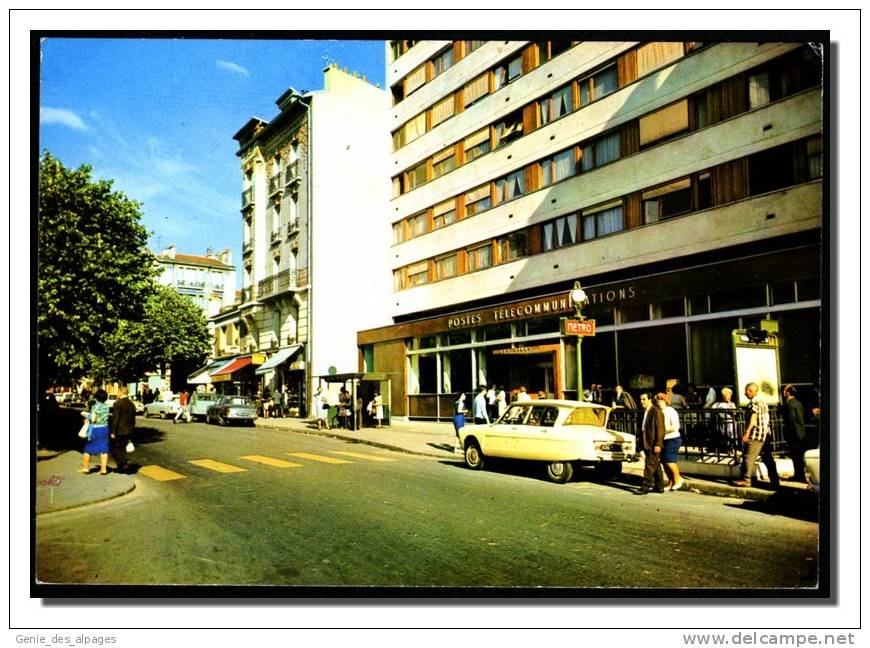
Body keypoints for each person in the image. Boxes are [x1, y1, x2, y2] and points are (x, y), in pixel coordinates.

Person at [732, 382, 780, 488]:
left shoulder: (754, 401)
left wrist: (747, 432)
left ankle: (746, 479)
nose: (745, 393)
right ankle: (775, 480)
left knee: (748, 456)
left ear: (750, 390)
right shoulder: (762, 402)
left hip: (756, 434)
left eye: (746, 390)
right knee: (768, 458)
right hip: (764, 434)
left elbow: (753, 418)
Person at [637, 392, 666, 494]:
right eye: (641, 399)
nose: (641, 401)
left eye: (644, 399)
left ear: (650, 400)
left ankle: (645, 486)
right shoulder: (644, 412)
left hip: (653, 443)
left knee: (649, 465)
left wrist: (658, 444)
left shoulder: (656, 412)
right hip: (646, 442)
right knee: (655, 464)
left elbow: (660, 429)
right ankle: (659, 486)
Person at [656, 391, 685, 491]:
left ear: (666, 401)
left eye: (661, 401)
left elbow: (675, 427)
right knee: (664, 461)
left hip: (672, 438)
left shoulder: (670, 410)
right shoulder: (659, 412)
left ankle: (678, 479)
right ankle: (670, 481)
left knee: (669, 460)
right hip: (663, 439)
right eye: (658, 401)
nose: (659, 403)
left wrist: (662, 430)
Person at [79, 389, 111, 476]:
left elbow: (93, 419)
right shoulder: (106, 407)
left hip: (95, 430)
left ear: (96, 397)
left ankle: (86, 468)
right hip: (105, 429)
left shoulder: (95, 407)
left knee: (88, 449)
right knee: (104, 449)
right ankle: (103, 469)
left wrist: (85, 414)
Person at [782, 384, 807, 483]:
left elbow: (791, 420)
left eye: (784, 391)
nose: (783, 392)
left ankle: (800, 476)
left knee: (796, 457)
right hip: (801, 433)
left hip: (794, 434)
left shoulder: (790, 404)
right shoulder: (798, 403)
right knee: (799, 457)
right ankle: (800, 476)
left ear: (788, 393)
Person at [110, 387, 137, 474]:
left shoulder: (118, 403)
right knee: (121, 447)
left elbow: (115, 419)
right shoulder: (131, 404)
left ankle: (124, 461)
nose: (117, 393)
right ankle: (122, 466)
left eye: (118, 391)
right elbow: (133, 418)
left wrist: (113, 431)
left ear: (121, 392)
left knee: (113, 447)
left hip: (120, 430)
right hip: (129, 430)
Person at [710, 387, 738, 452]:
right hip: (721, 422)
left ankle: (731, 448)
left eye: (729, 395)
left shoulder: (732, 403)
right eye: (726, 395)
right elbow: (712, 409)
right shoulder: (718, 404)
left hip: (730, 422)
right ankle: (724, 448)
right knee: (722, 434)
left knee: (731, 434)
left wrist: (730, 405)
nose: (728, 397)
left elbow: (734, 413)